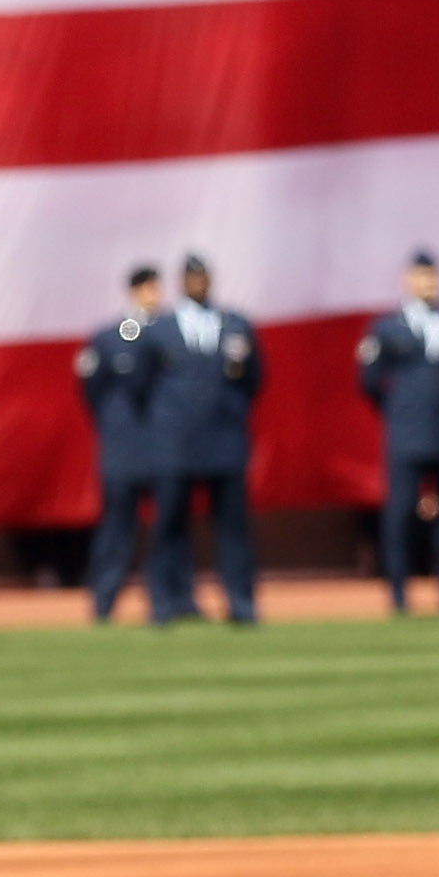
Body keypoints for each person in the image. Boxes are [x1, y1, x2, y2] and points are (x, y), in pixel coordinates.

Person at [357, 250, 439, 614]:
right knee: (400, 514)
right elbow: (368, 380)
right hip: (406, 433)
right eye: (421, 277)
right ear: (407, 281)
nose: (428, 284)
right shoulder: (387, 328)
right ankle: (398, 590)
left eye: (433, 277)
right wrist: (398, 410)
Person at [144, 253, 260, 624]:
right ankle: (167, 601)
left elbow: (254, 379)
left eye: (203, 277)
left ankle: (240, 601)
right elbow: (139, 382)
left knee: (232, 526)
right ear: (181, 282)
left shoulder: (235, 324)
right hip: (175, 441)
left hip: (224, 437)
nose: (198, 284)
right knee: (169, 524)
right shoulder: (156, 327)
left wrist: (233, 411)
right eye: (191, 278)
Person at [77, 265, 164, 622]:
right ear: (136, 291)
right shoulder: (112, 336)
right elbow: (91, 388)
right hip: (123, 446)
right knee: (116, 527)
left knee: (169, 526)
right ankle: (104, 599)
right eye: (149, 289)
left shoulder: (169, 331)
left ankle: (170, 600)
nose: (154, 295)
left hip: (163, 445)